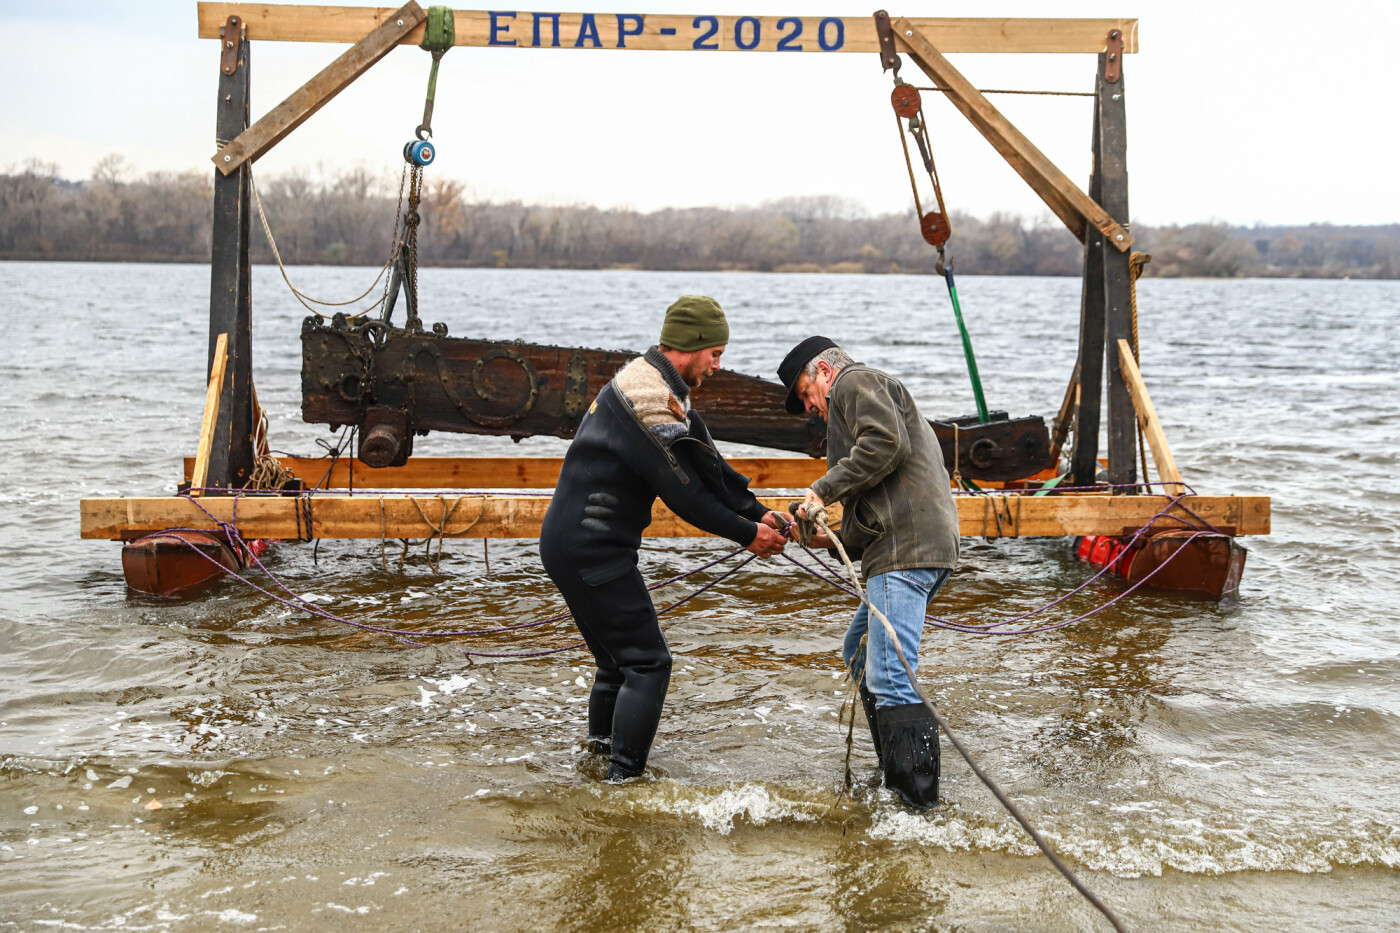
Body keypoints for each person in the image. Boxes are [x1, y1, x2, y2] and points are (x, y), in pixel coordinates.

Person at [540, 296, 789, 782]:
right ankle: (624, 784)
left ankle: (598, 763)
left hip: (573, 542)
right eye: (714, 353)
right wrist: (748, 536)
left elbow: (708, 468)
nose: (719, 365)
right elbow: (684, 495)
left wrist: (762, 513)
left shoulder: (660, 384)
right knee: (649, 664)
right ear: (690, 346)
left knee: (616, 665)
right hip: (592, 548)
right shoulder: (647, 400)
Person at [776, 336, 959, 810]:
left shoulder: (856, 382)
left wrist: (820, 490)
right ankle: (891, 774)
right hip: (906, 546)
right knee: (858, 653)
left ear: (823, 372)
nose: (811, 407)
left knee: (893, 677)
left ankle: (916, 804)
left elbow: (886, 444)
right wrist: (825, 541)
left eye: (805, 394)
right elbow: (880, 501)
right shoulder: (858, 393)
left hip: (907, 552)